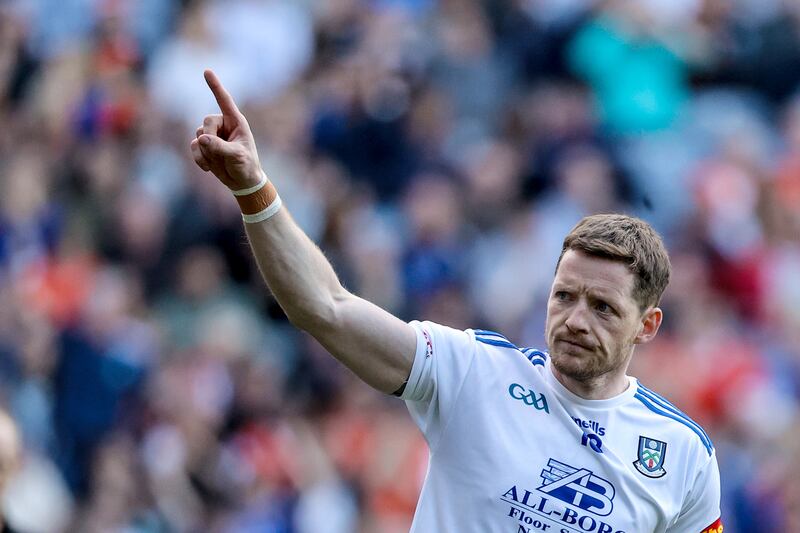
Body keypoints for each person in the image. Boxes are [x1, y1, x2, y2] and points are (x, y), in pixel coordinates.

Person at [190, 70, 723, 533]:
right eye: (564, 296)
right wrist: (253, 188)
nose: (576, 320)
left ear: (647, 325)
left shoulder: (684, 456)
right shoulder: (472, 371)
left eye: (603, 307)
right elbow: (325, 306)